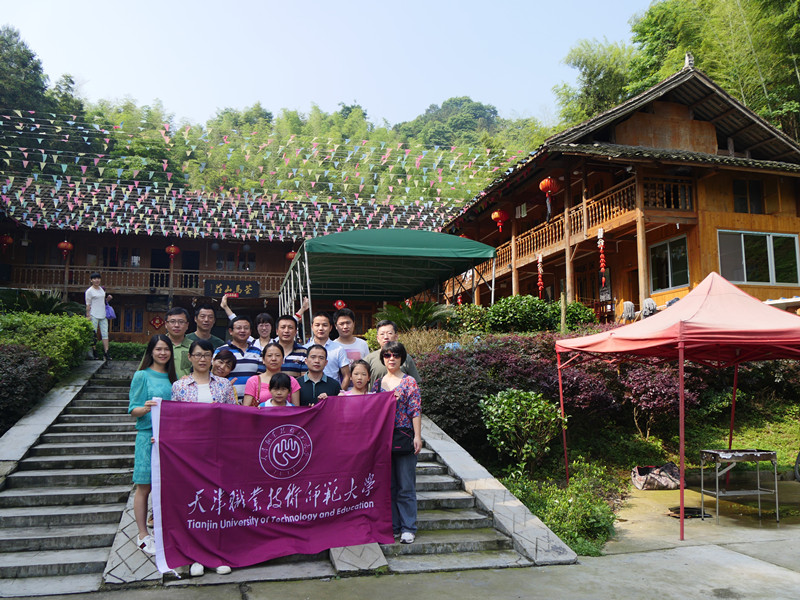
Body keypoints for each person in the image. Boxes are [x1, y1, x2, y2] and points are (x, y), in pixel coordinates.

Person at [128, 334, 177, 555]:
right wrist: (146, 408)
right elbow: (133, 409)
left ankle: (163, 529)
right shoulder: (142, 376)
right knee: (144, 486)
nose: (162, 353)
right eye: (158, 349)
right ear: (151, 352)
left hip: (167, 439)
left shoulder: (174, 378)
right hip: (147, 437)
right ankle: (142, 533)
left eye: (166, 349)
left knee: (165, 486)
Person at [370, 341, 422, 544]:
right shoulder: (377, 384)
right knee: (389, 486)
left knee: (405, 485)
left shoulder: (409, 382)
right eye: (387, 355)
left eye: (396, 355)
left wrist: (417, 436)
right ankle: (394, 526)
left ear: (402, 358)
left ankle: (409, 527)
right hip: (383, 439)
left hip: (404, 436)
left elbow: (415, 410)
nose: (391, 359)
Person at [170, 339, 237, 404]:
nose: (202, 359)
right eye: (198, 355)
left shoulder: (225, 384)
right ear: (189, 357)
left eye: (207, 355)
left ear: (212, 358)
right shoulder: (179, 386)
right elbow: (175, 410)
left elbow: (231, 410)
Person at [213, 316, 263, 402]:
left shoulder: (258, 352)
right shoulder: (220, 350)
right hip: (227, 401)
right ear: (231, 331)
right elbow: (213, 376)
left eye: (246, 328)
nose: (242, 331)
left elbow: (261, 377)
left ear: (250, 331)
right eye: (239, 328)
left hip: (251, 402)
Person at [243, 342, 301, 407]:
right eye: (269, 355)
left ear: (283, 359)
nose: (273, 359)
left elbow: (296, 410)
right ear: (263, 360)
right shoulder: (253, 381)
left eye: (277, 355)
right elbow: (246, 408)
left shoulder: (292, 381)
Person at [365, 320, 421, 387]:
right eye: (382, 334)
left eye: (389, 333)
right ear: (377, 338)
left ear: (396, 336)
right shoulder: (369, 359)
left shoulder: (405, 357)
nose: (386, 337)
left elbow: (415, 385)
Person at [305, 313, 351, 390]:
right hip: (309, 391)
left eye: (325, 325)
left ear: (330, 328)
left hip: (332, 392)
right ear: (312, 327)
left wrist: (338, 394)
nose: (321, 328)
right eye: (317, 325)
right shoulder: (304, 349)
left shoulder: (338, 349)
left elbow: (346, 375)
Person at [85, 272, 112, 360]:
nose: (97, 280)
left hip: (103, 314)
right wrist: (88, 315)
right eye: (94, 279)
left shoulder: (101, 289)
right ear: (91, 280)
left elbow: (103, 302)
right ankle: (94, 353)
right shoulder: (89, 291)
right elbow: (88, 305)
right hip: (93, 314)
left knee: (105, 334)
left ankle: (106, 353)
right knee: (93, 334)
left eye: (98, 278)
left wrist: (108, 299)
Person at [164, 307, 193, 378]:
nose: (176, 325)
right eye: (172, 321)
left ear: (187, 325)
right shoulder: (157, 345)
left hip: (186, 384)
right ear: (166, 324)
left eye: (181, 322)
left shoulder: (194, 347)